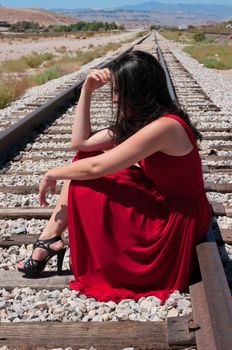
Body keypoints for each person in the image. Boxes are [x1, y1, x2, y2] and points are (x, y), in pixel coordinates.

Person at [18, 50, 210, 303]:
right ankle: (49, 238)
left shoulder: (165, 126)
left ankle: (48, 242)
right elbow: (82, 144)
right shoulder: (145, 120)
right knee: (81, 163)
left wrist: (52, 172)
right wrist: (86, 91)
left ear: (137, 91)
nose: (114, 98)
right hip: (163, 201)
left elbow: (97, 168)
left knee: (82, 177)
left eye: (119, 91)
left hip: (174, 221)